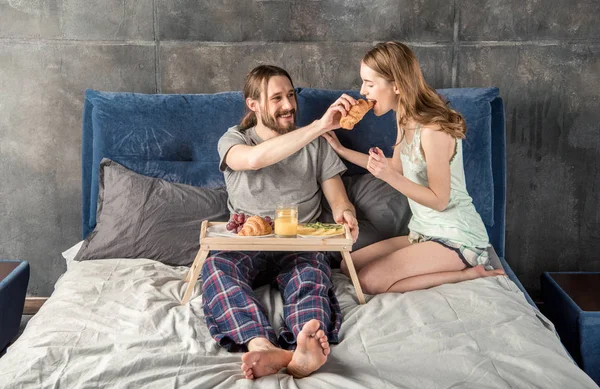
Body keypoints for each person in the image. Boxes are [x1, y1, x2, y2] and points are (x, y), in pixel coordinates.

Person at [202, 64, 359, 380]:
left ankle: (304, 344)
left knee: (312, 277)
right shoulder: (233, 139)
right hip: (247, 242)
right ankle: (261, 344)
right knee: (216, 270)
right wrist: (317, 126)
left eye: (290, 95)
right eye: (277, 98)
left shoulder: (316, 144)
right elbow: (254, 160)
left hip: (300, 244)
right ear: (254, 105)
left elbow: (338, 199)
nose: (288, 106)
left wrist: (347, 215)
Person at [322, 41, 505, 296]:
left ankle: (469, 273)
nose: (362, 91)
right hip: (423, 232)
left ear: (396, 85)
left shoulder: (433, 130)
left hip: (455, 235)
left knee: (369, 282)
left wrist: (387, 174)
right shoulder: (404, 118)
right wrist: (342, 152)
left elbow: (440, 200)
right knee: (347, 264)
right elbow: (393, 168)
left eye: (370, 84)